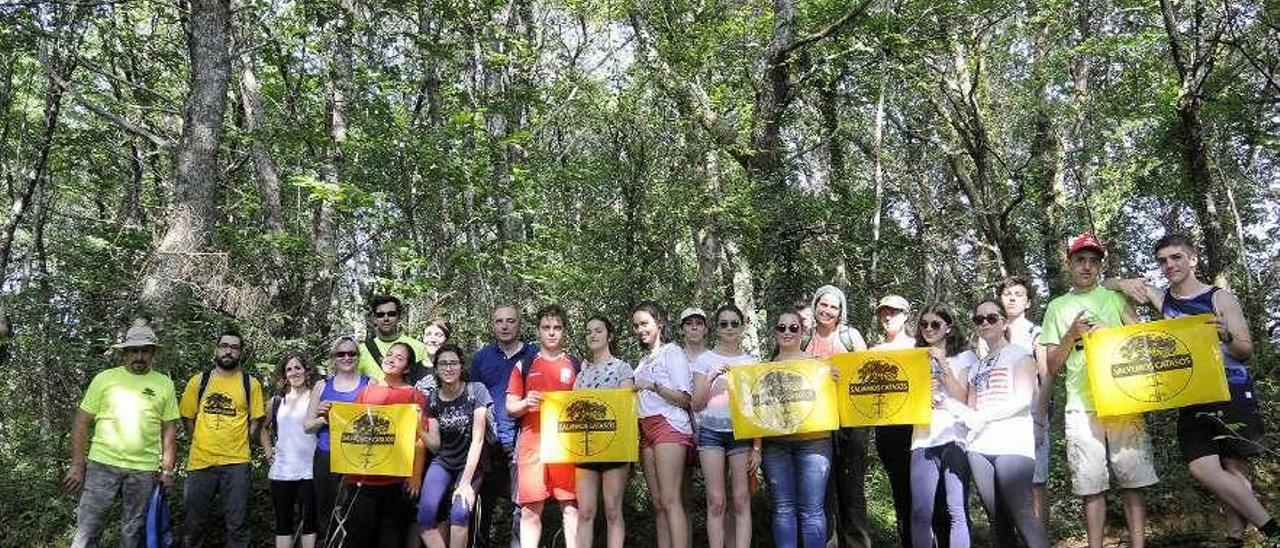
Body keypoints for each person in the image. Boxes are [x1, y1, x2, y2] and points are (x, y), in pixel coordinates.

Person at [1105, 233, 1279, 545]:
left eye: (1176, 258)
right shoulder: (1164, 298)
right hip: (1192, 394)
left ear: (1192, 259)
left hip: (1231, 389)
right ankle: (1271, 528)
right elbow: (1106, 284)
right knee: (1202, 468)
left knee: (1234, 468)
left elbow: (1245, 350)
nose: (1169, 265)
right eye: (1162, 261)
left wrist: (1225, 335)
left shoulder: (1220, 298)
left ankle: (1234, 538)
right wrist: (1124, 283)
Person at [1040, 233, 1155, 548]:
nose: (1087, 266)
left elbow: (1142, 341)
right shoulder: (1057, 306)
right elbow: (1051, 366)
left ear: (1100, 266)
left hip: (1123, 399)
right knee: (1091, 487)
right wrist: (1071, 335)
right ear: (1070, 264)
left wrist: (1112, 333)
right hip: (1081, 405)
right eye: (1080, 260)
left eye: (1093, 261)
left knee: (1134, 482)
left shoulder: (1115, 298)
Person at [65, 321, 178, 548]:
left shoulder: (164, 383)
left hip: (143, 470)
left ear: (153, 353)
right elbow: (81, 421)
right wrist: (78, 464)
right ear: (124, 353)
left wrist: (167, 470)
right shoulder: (104, 379)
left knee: (133, 531)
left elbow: (169, 430)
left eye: (145, 351)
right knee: (89, 528)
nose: (139, 356)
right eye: (133, 351)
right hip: (102, 465)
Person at [962, 299, 1049, 548]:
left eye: (991, 317)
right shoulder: (976, 366)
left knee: (1022, 514)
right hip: (979, 447)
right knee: (997, 519)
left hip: (1012, 444)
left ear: (1003, 322)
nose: (985, 323)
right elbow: (972, 408)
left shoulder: (1018, 354)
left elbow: (1022, 400)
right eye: (979, 319)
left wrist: (983, 417)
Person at [180, 328, 266, 548]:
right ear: (216, 349)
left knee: (238, 527)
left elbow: (256, 420)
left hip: (236, 463)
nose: (229, 351)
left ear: (240, 353)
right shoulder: (199, 381)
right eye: (224, 346)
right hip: (200, 463)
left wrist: (243, 441)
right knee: (193, 527)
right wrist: (197, 441)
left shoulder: (250, 384)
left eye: (234, 347)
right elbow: (187, 417)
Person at [506, 304, 580, 548]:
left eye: (557, 328)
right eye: (546, 327)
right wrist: (527, 402)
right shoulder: (524, 364)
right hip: (532, 442)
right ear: (538, 331)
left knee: (570, 506)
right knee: (530, 509)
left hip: (566, 444)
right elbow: (510, 406)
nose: (551, 332)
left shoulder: (575, 364)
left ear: (564, 332)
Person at [342, 342, 428, 548]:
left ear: (407, 368)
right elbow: (352, 429)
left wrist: (415, 476)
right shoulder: (367, 391)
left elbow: (420, 439)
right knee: (359, 536)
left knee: (389, 537)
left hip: (395, 481)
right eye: (389, 354)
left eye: (399, 358)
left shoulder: (415, 396)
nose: (391, 359)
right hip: (363, 478)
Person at [759, 310, 833, 548]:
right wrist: (756, 448)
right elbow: (756, 412)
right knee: (782, 508)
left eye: (793, 328)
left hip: (815, 442)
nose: (787, 332)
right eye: (782, 328)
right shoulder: (761, 370)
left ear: (802, 332)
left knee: (812, 510)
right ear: (775, 333)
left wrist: (836, 381)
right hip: (775, 445)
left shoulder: (819, 366)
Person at [805, 285, 870, 548]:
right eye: (823, 305)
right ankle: (829, 543)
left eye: (834, 306)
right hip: (816, 422)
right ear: (815, 306)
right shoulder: (803, 339)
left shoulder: (850, 336)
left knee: (852, 487)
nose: (827, 311)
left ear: (841, 311)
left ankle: (856, 543)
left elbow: (867, 371)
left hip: (850, 420)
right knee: (823, 487)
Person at [691, 304, 759, 548]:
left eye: (734, 323)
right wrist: (710, 377)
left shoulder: (751, 362)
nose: (729, 328)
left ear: (742, 327)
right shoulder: (704, 360)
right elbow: (696, 405)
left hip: (741, 434)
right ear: (716, 329)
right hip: (710, 433)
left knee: (741, 500)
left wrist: (757, 447)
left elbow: (757, 410)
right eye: (723, 324)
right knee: (716, 501)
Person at [470, 305, 537, 548]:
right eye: (499, 321)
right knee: (482, 500)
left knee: (522, 501)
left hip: (524, 438)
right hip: (488, 440)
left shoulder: (535, 355)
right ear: (493, 325)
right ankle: (480, 542)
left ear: (519, 324)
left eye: (510, 321)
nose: (505, 326)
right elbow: (473, 398)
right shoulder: (480, 358)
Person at [909, 304, 974, 548]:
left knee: (956, 510)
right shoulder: (913, 358)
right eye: (924, 324)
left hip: (955, 437)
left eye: (935, 324)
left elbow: (965, 398)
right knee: (921, 512)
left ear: (948, 327)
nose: (928, 328)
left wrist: (943, 363)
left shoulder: (965, 357)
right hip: (922, 438)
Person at [631, 301, 694, 548]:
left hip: (669, 425)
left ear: (659, 323)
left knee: (670, 499)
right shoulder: (643, 359)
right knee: (657, 503)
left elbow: (685, 398)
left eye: (644, 323)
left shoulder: (672, 352)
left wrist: (652, 386)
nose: (640, 329)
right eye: (636, 325)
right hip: (645, 429)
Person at [418, 343, 493, 548]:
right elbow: (435, 446)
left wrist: (465, 483)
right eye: (443, 364)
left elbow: (478, 439)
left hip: (471, 463)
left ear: (461, 366)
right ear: (436, 369)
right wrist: (418, 426)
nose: (448, 368)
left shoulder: (476, 391)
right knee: (424, 519)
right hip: (443, 461)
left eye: (453, 363)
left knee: (460, 512)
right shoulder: (432, 399)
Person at [573, 315, 635, 548]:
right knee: (585, 511)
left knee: (612, 510)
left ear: (609, 335)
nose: (593, 335)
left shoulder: (623, 368)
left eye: (598, 330)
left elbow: (625, 410)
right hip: (585, 448)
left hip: (615, 448)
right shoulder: (581, 374)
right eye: (588, 331)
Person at [995, 276, 1051, 523]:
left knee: (1036, 483)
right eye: (1008, 294)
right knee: (1006, 483)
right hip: (998, 418)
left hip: (1030, 414)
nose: (1013, 298)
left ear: (1028, 302)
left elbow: (1046, 376)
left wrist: (1040, 420)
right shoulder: (990, 332)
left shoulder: (1035, 332)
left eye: (1018, 294)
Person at [305, 336, 370, 545]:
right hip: (327, 455)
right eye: (341, 354)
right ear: (333, 358)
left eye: (351, 353)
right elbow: (307, 426)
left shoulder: (370, 384)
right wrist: (322, 417)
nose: (347, 357)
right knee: (327, 513)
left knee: (358, 514)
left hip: (360, 457)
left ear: (358, 357)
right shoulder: (322, 386)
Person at [869, 295, 917, 547]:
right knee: (901, 494)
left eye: (894, 312)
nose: (888, 316)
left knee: (928, 494)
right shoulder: (873, 352)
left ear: (906, 315)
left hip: (919, 430)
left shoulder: (918, 347)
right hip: (887, 432)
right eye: (883, 312)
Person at [261, 352, 320, 548]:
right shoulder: (277, 401)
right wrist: (269, 451)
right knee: (283, 524)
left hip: (310, 470)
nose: (294, 372)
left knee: (310, 524)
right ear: (284, 375)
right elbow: (263, 428)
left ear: (306, 370)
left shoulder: (316, 397)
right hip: (282, 471)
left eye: (298, 368)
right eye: (289, 369)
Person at [358, 295, 429, 383]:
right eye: (380, 315)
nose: (386, 318)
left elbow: (424, 382)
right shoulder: (360, 351)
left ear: (399, 317)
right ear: (374, 319)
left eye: (391, 314)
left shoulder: (418, 347)